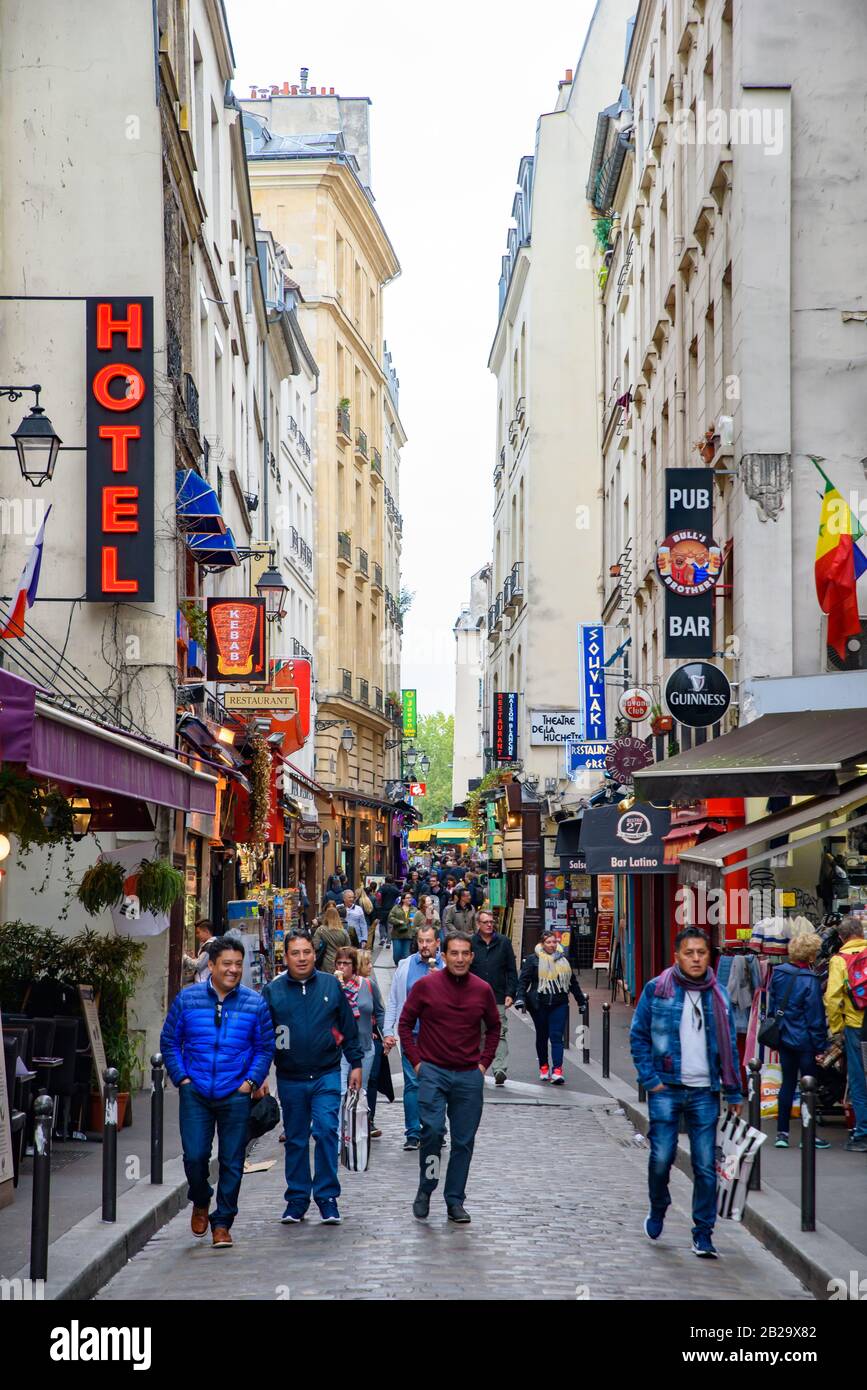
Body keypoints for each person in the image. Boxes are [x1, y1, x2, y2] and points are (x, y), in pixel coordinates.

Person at [630, 926, 742, 1258]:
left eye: (701, 953)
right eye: (689, 953)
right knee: (661, 1158)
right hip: (666, 1087)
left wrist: (734, 1091)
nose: (695, 958)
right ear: (677, 956)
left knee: (706, 1165)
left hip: (705, 1090)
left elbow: (730, 1049)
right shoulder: (658, 989)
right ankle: (659, 1202)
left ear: (710, 956)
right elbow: (639, 1036)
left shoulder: (719, 994)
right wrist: (650, 1079)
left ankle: (703, 1232)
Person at [160, 935, 274, 1249]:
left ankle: (223, 1221)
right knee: (196, 1156)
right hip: (195, 1091)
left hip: (235, 1092)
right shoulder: (188, 999)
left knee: (232, 1160)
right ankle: (201, 1198)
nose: (233, 969)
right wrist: (182, 1078)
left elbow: (264, 1048)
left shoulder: (255, 1002)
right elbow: (170, 1042)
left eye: (238, 964)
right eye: (227, 963)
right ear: (211, 965)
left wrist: (250, 1082)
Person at [399, 932, 500, 1223]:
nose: (459, 959)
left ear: (471, 956)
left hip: (469, 1075)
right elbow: (405, 1024)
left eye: (464, 953)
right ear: (444, 955)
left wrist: (483, 1065)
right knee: (431, 1132)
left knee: (464, 1141)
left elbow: (494, 1028)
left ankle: (455, 1199)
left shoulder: (482, 990)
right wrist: (417, 1063)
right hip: (433, 1072)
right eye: (453, 953)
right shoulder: (426, 986)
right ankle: (426, 1187)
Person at [263, 934, 363, 1225]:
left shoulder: (331, 985)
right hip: (291, 1077)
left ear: (314, 954)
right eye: (296, 953)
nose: (302, 957)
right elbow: (262, 1037)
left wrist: (355, 1062)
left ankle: (327, 1197)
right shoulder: (273, 992)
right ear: (286, 956)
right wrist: (259, 1075)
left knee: (326, 1130)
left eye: (307, 951)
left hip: (326, 1074)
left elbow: (346, 1027)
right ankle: (296, 1199)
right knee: (295, 1139)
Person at [383, 924, 444, 1151]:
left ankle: (436, 1128)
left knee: (437, 1084)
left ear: (437, 942)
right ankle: (413, 1132)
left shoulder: (446, 966)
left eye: (429, 941)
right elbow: (394, 1001)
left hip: (438, 1037)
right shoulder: (406, 966)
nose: (425, 945)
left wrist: (441, 981)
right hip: (411, 1034)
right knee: (412, 1084)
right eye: (421, 941)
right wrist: (389, 1030)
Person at [768, 932, 831, 1149]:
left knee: (786, 1083)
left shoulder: (778, 973)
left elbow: (772, 1007)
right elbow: (815, 1016)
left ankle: (782, 1133)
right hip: (804, 1041)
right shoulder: (810, 980)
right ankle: (808, 1135)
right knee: (808, 1087)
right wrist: (820, 1045)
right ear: (811, 954)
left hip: (784, 1037)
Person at [515, 928, 587, 1084]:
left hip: (559, 1003)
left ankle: (557, 1070)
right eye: (548, 942)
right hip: (538, 1004)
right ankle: (544, 1067)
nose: (552, 945)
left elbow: (572, 982)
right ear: (542, 944)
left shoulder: (563, 960)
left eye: (554, 942)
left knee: (556, 1036)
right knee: (542, 1036)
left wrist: (581, 1001)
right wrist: (520, 998)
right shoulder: (533, 960)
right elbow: (523, 982)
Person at [824, 915, 867, 1152]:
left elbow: (832, 999)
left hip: (856, 1027)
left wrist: (836, 1028)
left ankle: (862, 1133)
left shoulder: (840, 960)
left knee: (860, 1079)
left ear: (841, 937)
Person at [470, 910, 518, 1085]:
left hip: (497, 996)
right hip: (474, 998)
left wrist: (510, 993)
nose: (489, 924)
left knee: (500, 1033)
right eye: (485, 922)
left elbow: (511, 970)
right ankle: (477, 1069)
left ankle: (499, 1069)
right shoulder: (471, 943)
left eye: (491, 922)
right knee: (477, 1034)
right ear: (478, 924)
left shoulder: (504, 942)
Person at [333, 946, 385, 1094]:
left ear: (354, 965)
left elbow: (379, 1011)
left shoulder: (367, 984)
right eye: (339, 963)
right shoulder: (330, 985)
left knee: (359, 1090)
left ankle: (357, 1118)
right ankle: (340, 1118)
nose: (342, 967)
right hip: (340, 1048)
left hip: (364, 1045)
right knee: (341, 1091)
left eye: (346, 963)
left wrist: (386, 1034)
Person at [313, 902, 351, 974]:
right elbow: (348, 949)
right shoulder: (343, 932)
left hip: (326, 963)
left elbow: (316, 946)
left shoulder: (321, 930)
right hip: (340, 963)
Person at [182, 919, 216, 985]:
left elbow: (198, 965)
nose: (197, 936)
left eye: (198, 932)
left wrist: (184, 956)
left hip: (203, 984)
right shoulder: (209, 944)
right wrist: (194, 958)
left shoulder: (209, 946)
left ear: (206, 931)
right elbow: (203, 964)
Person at [389, 891, 417, 964]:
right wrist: (399, 921)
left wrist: (414, 921)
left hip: (408, 935)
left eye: (410, 898)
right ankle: (397, 965)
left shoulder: (414, 909)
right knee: (396, 956)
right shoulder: (396, 908)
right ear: (403, 900)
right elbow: (390, 918)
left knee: (406, 956)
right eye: (407, 898)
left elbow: (417, 921)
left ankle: (402, 970)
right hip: (397, 934)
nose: (410, 899)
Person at [374, 874, 401, 948]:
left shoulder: (382, 888)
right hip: (392, 909)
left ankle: (382, 937)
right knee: (390, 926)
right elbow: (399, 897)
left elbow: (378, 896)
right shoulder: (395, 889)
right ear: (392, 881)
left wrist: (378, 904)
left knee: (382, 923)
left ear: (385, 881)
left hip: (382, 908)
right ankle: (389, 942)